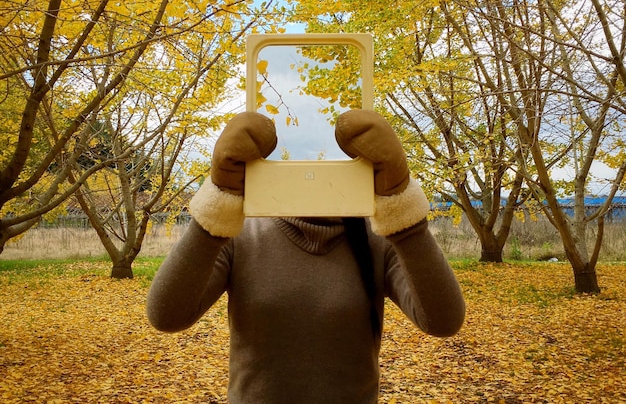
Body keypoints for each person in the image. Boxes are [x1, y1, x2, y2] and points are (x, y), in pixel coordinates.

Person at [147, 109, 465, 403]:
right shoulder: (241, 233)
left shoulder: (377, 238)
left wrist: (401, 207)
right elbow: (167, 315)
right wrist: (218, 204)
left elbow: (444, 321)